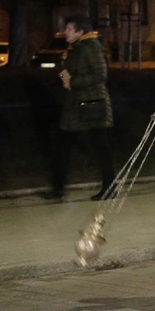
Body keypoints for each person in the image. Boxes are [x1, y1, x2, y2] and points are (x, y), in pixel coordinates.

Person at [44, 14, 114, 201]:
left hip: (92, 104)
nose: (64, 33)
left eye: (68, 29)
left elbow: (100, 74)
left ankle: (109, 187)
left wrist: (73, 82)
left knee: (100, 147)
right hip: (76, 104)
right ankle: (58, 188)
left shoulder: (91, 47)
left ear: (80, 31)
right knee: (63, 145)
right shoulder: (76, 48)